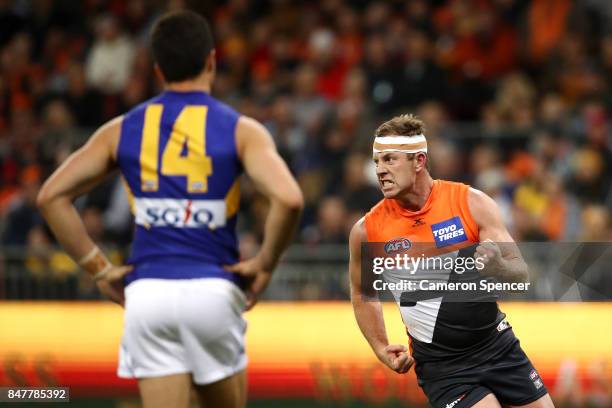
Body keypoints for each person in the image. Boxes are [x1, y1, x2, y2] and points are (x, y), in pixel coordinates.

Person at [37, 10, 303, 408]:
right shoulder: (241, 129)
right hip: (212, 290)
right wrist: (265, 263)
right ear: (212, 60)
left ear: (158, 70)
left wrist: (100, 268)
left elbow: (50, 197)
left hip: (148, 294)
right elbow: (290, 198)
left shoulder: (122, 128)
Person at [349, 114, 554, 408]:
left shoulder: (471, 203)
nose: (380, 170)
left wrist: (498, 267)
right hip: (444, 368)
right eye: (377, 161)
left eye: (390, 160)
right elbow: (363, 293)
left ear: (418, 161)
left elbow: (520, 275)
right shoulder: (366, 231)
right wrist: (380, 346)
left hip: (498, 346)